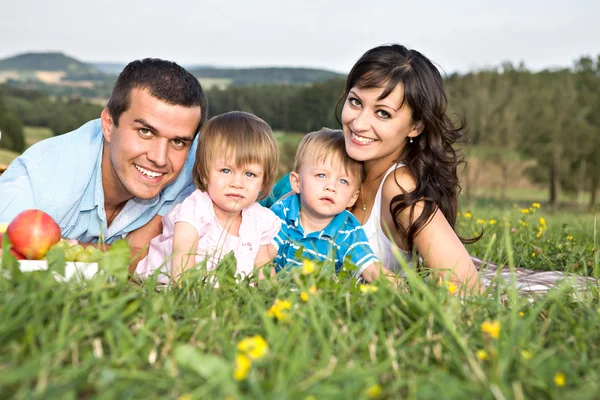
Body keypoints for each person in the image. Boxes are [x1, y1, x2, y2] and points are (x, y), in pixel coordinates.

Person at [267, 44, 482, 293]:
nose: (359, 123)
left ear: (416, 127)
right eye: (356, 102)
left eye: (382, 113)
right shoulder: (341, 163)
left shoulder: (400, 186)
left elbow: (467, 286)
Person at [0, 58, 207, 264]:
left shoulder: (198, 165)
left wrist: (62, 250)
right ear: (108, 124)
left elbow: (148, 252)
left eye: (178, 142)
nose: (160, 158)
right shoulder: (37, 183)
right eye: (145, 131)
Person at [134, 111, 281, 285]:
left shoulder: (259, 219)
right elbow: (182, 260)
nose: (237, 183)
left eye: (249, 174)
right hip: (168, 282)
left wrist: (271, 298)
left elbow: (263, 267)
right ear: (204, 174)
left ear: (263, 182)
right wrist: (188, 294)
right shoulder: (197, 209)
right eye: (226, 171)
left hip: (221, 290)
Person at [271, 128, 394, 283]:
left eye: (343, 181)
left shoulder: (348, 230)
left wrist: (408, 291)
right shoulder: (283, 211)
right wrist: (272, 291)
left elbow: (371, 269)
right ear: (297, 183)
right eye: (321, 175)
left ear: (352, 198)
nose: (331, 186)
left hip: (319, 302)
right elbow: (262, 256)